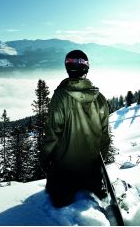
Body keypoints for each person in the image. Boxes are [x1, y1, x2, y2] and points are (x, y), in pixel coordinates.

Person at [42, 49, 110, 208]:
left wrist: (45, 160)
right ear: (86, 68)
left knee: (55, 200)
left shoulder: (60, 96)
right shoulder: (100, 99)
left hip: (63, 174)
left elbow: (53, 134)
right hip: (91, 174)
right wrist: (97, 163)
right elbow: (104, 137)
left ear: (67, 68)